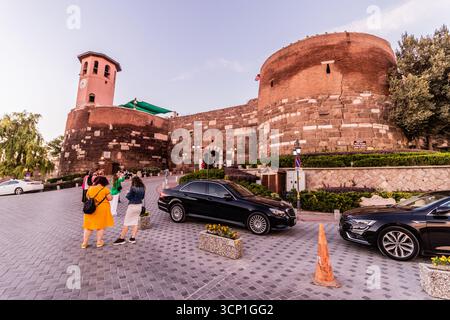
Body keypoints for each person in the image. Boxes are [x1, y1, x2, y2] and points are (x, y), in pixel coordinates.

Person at [82, 176, 114, 249]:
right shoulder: (105, 189)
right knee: (100, 226)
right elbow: (110, 198)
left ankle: (84, 243)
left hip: (91, 209)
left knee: (88, 227)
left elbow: (88, 197)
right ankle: (99, 242)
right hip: (101, 210)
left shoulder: (90, 188)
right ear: (104, 182)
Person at [113, 176, 146, 246]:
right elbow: (142, 197)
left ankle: (121, 238)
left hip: (132, 206)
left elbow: (129, 197)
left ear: (133, 181)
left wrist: (127, 193)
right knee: (135, 222)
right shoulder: (143, 188)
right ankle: (132, 238)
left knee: (126, 222)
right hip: (139, 206)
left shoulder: (133, 187)